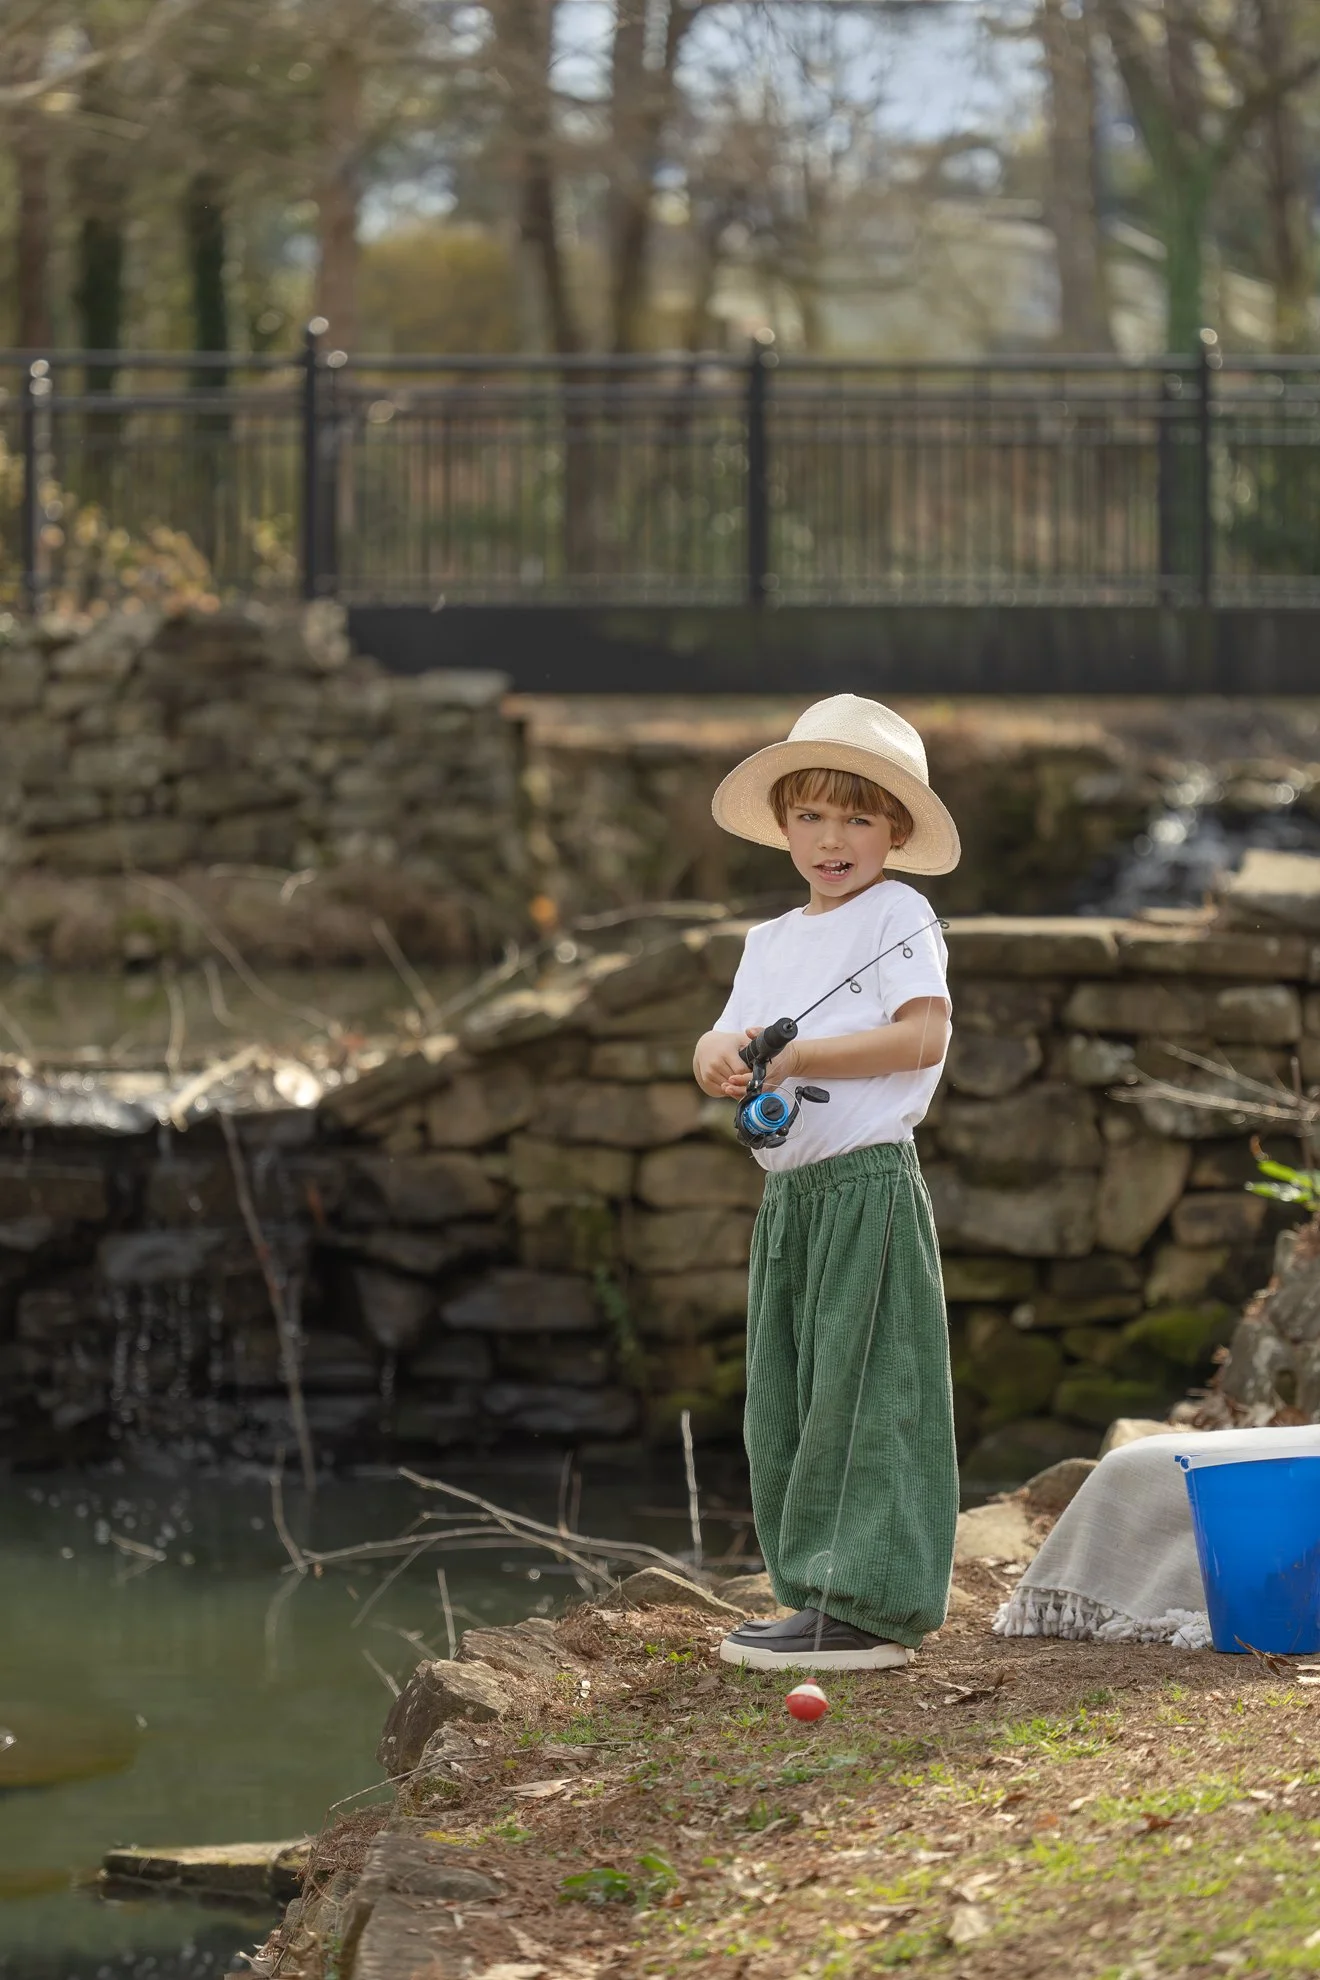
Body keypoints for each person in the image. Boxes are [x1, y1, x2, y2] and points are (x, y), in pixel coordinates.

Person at [692, 694, 960, 1672]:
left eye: (858, 818)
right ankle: (811, 1591)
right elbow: (723, 1036)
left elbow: (921, 1036)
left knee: (866, 1388)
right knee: (787, 1397)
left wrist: (801, 1058)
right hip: (791, 1199)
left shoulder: (898, 913)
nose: (832, 838)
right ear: (782, 824)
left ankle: (871, 1602)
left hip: (867, 1188)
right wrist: (718, 1057)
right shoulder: (770, 942)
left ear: (895, 830)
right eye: (811, 815)